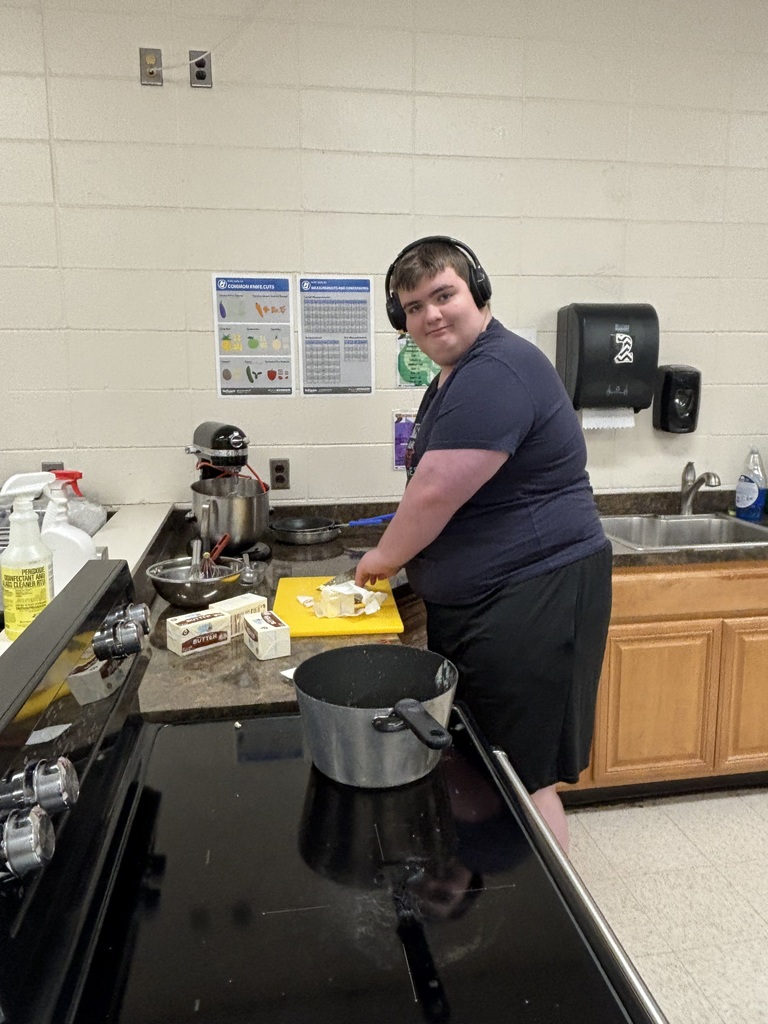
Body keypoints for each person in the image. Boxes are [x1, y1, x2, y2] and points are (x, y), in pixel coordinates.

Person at [355, 236, 612, 853]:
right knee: (487, 757)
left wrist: (383, 558)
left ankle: (551, 920)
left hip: (534, 595)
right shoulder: (454, 377)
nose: (430, 315)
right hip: (494, 599)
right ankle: (498, 888)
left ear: (478, 293)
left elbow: (437, 489)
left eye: (443, 296)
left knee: (522, 774)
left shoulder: (496, 370)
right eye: (413, 307)